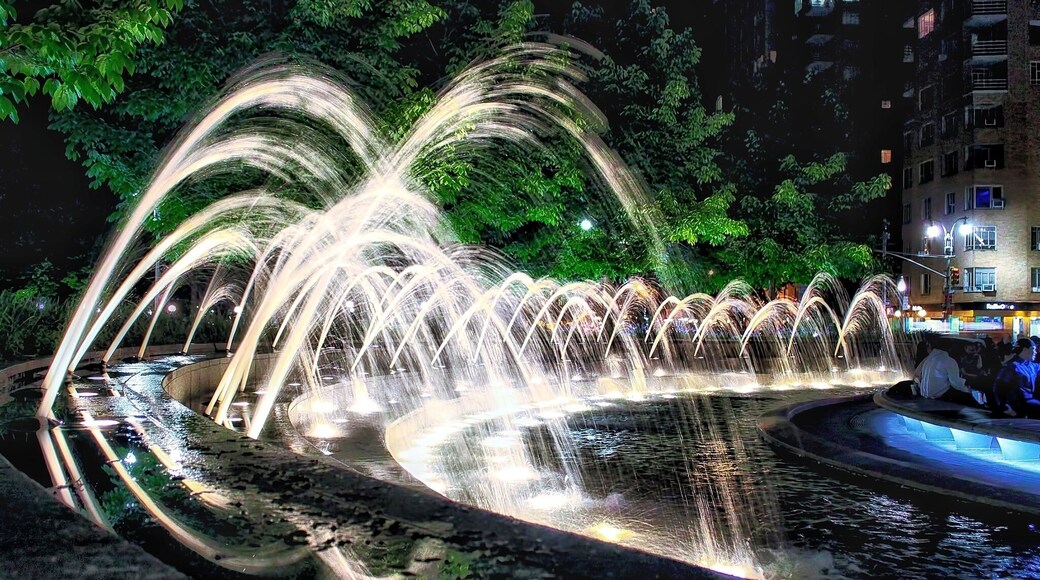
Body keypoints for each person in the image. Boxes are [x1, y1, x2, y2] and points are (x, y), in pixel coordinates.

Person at [913, 337, 978, 406]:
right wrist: (967, 389)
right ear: (950, 348)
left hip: (925, 394)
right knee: (967, 397)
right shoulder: (948, 360)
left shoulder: (928, 359)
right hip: (938, 396)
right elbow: (955, 383)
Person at [992, 338, 1040, 418]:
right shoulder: (1012, 367)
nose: (1036, 352)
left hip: (1030, 401)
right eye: (1034, 349)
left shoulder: (1033, 366)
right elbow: (998, 388)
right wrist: (1005, 407)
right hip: (1017, 403)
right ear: (1025, 349)